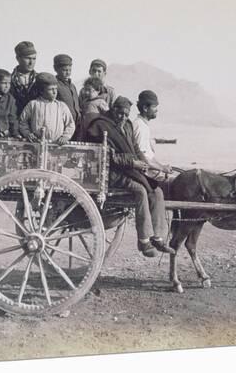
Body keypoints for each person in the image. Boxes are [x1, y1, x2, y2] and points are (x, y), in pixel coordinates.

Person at [86, 96, 173, 257]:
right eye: (120, 113)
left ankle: (158, 237)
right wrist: (134, 164)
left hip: (129, 169)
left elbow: (134, 148)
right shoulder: (101, 126)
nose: (123, 117)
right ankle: (144, 240)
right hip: (111, 172)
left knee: (157, 191)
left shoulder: (127, 125)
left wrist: (142, 161)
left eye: (126, 114)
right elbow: (109, 156)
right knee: (140, 190)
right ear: (113, 110)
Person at [132, 90, 176, 198]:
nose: (157, 110)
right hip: (145, 176)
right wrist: (163, 169)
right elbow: (143, 159)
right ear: (145, 108)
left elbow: (150, 156)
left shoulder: (143, 125)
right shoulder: (140, 127)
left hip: (150, 173)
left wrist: (162, 166)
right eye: (154, 107)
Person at [19, 72, 75, 145]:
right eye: (51, 89)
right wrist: (27, 133)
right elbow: (23, 122)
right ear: (41, 91)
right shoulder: (33, 104)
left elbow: (70, 124)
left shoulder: (61, 106)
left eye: (56, 89)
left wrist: (65, 136)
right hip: (37, 145)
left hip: (56, 145)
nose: (55, 92)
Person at [10, 41, 38, 115]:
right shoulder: (9, 80)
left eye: (34, 58)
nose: (31, 62)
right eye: (28, 58)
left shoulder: (39, 80)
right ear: (18, 58)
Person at [53, 54, 81, 128]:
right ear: (56, 69)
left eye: (70, 70)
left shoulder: (72, 86)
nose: (68, 73)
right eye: (65, 70)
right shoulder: (55, 85)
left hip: (76, 125)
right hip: (62, 125)